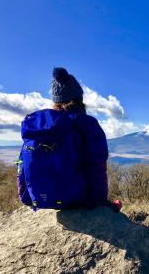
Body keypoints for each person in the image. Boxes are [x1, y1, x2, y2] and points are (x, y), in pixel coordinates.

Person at [17, 67, 121, 212]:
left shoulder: (40, 126)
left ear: (56, 101)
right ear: (80, 98)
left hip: (38, 198)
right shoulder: (87, 124)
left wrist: (28, 197)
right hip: (78, 199)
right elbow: (97, 165)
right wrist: (99, 201)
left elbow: (22, 164)